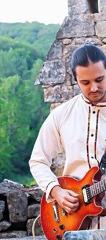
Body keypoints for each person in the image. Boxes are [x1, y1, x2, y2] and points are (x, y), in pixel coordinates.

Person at [29, 44, 106, 229]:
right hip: (69, 222)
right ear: (76, 80)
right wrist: (56, 191)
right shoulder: (61, 115)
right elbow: (38, 161)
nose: (94, 87)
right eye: (85, 83)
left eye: (100, 79)